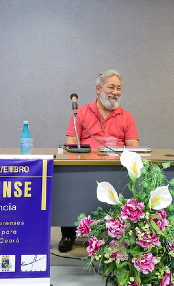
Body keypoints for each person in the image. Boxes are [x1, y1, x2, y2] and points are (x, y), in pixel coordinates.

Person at [59, 69, 139, 253]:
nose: (116, 92)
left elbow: (134, 149)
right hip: (85, 166)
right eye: (111, 87)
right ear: (98, 89)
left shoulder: (126, 116)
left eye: (119, 88)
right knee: (67, 182)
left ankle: (116, 233)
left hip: (115, 168)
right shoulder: (81, 112)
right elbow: (70, 144)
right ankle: (68, 233)